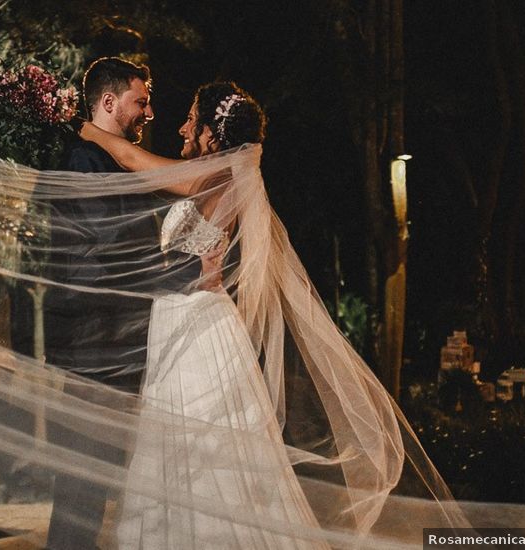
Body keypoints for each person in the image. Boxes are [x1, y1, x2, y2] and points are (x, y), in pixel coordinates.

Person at [79, 82, 328, 548]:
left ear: (214, 137)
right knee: (191, 447)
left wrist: (87, 130)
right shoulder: (219, 176)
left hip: (194, 326)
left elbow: (133, 161)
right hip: (189, 316)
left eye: (192, 120)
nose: (181, 126)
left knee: (200, 451)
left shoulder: (215, 178)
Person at [43, 57, 200, 550]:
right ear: (108, 103)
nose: (149, 112)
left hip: (117, 342)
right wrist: (191, 273)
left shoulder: (110, 157)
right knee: (81, 481)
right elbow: (107, 254)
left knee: (103, 477)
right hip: (93, 344)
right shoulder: (83, 163)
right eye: (141, 101)